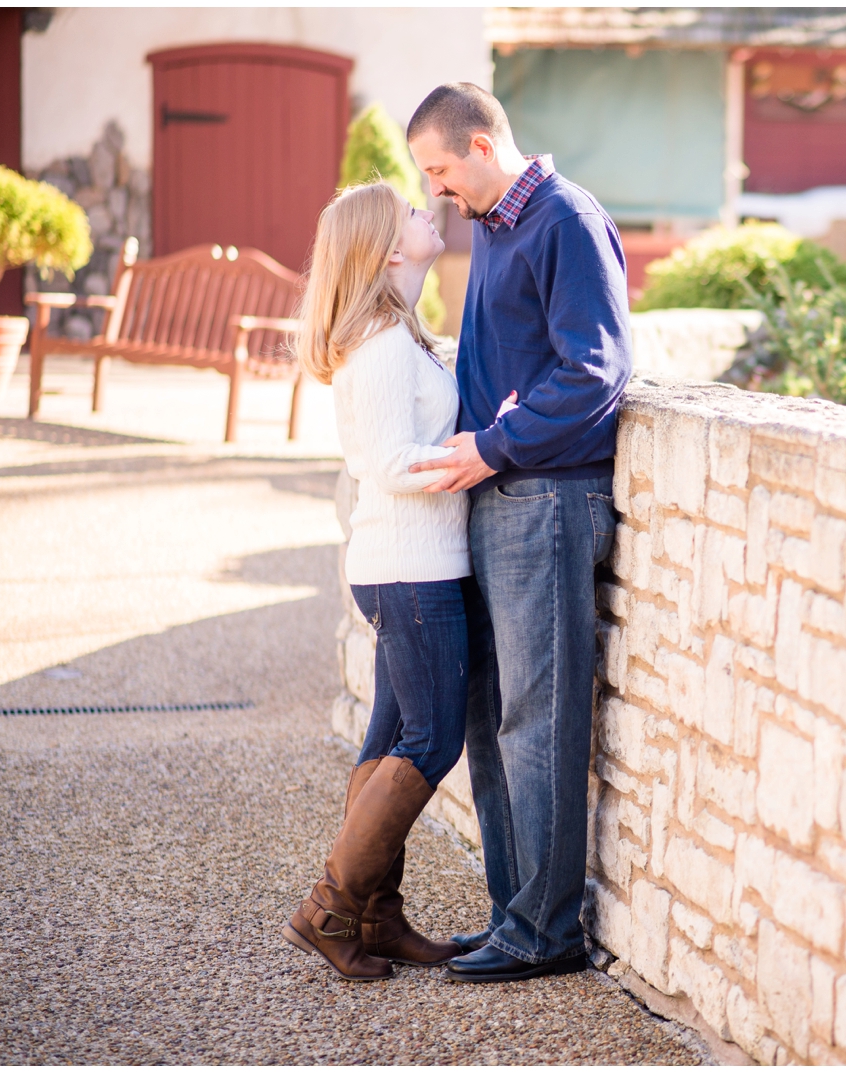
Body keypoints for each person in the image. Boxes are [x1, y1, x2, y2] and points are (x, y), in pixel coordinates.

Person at [405, 82, 632, 983]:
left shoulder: (565, 221)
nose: (435, 192)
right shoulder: (496, 224)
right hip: (499, 494)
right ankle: (513, 915)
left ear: (484, 146)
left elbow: (597, 371)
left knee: (537, 715)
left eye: (440, 170)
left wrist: (493, 444)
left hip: (546, 499)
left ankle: (546, 931)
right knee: (491, 717)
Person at [281, 181, 470, 981]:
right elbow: (390, 464)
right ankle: (329, 908)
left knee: (390, 738)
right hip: (411, 570)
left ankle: (374, 915)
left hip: (403, 566)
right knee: (432, 739)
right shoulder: (387, 343)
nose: (430, 213)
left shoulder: (398, 334)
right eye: (413, 215)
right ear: (391, 250)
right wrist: (479, 448)